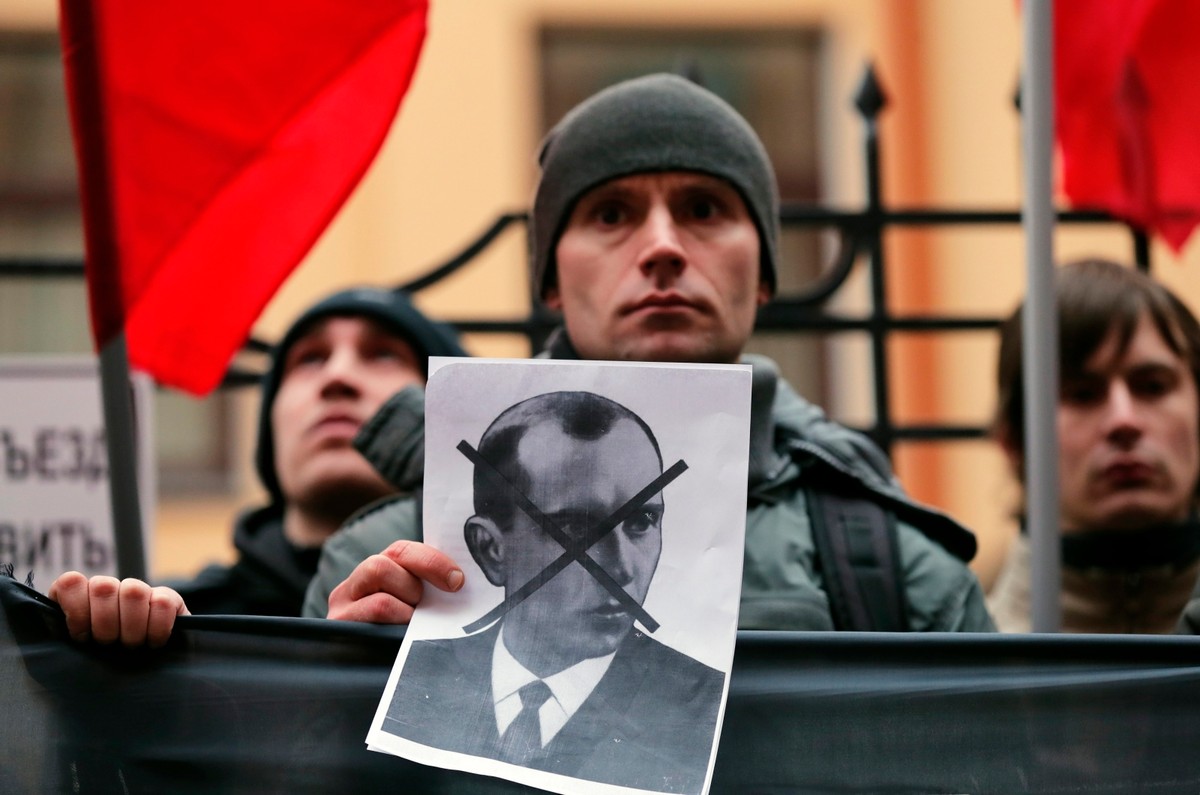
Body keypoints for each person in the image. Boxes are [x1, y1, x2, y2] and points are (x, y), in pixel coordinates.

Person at [304, 73, 995, 633]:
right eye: (610, 214)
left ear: (761, 276)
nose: (663, 246)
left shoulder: (896, 569)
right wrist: (340, 685)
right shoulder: (393, 557)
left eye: (704, 209)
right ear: (551, 281)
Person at [48, 287, 466, 644]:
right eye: (310, 359)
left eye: (384, 355)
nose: (338, 376)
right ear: (271, 426)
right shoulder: (187, 625)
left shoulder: (506, 611)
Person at [385, 391, 723, 793]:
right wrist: (345, 660)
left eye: (642, 521)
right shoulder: (404, 675)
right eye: (577, 529)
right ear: (492, 550)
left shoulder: (706, 703)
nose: (623, 567)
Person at [987, 259, 1200, 633]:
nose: (1124, 420)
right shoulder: (971, 654)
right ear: (1013, 441)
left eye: (1152, 386)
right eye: (1083, 394)